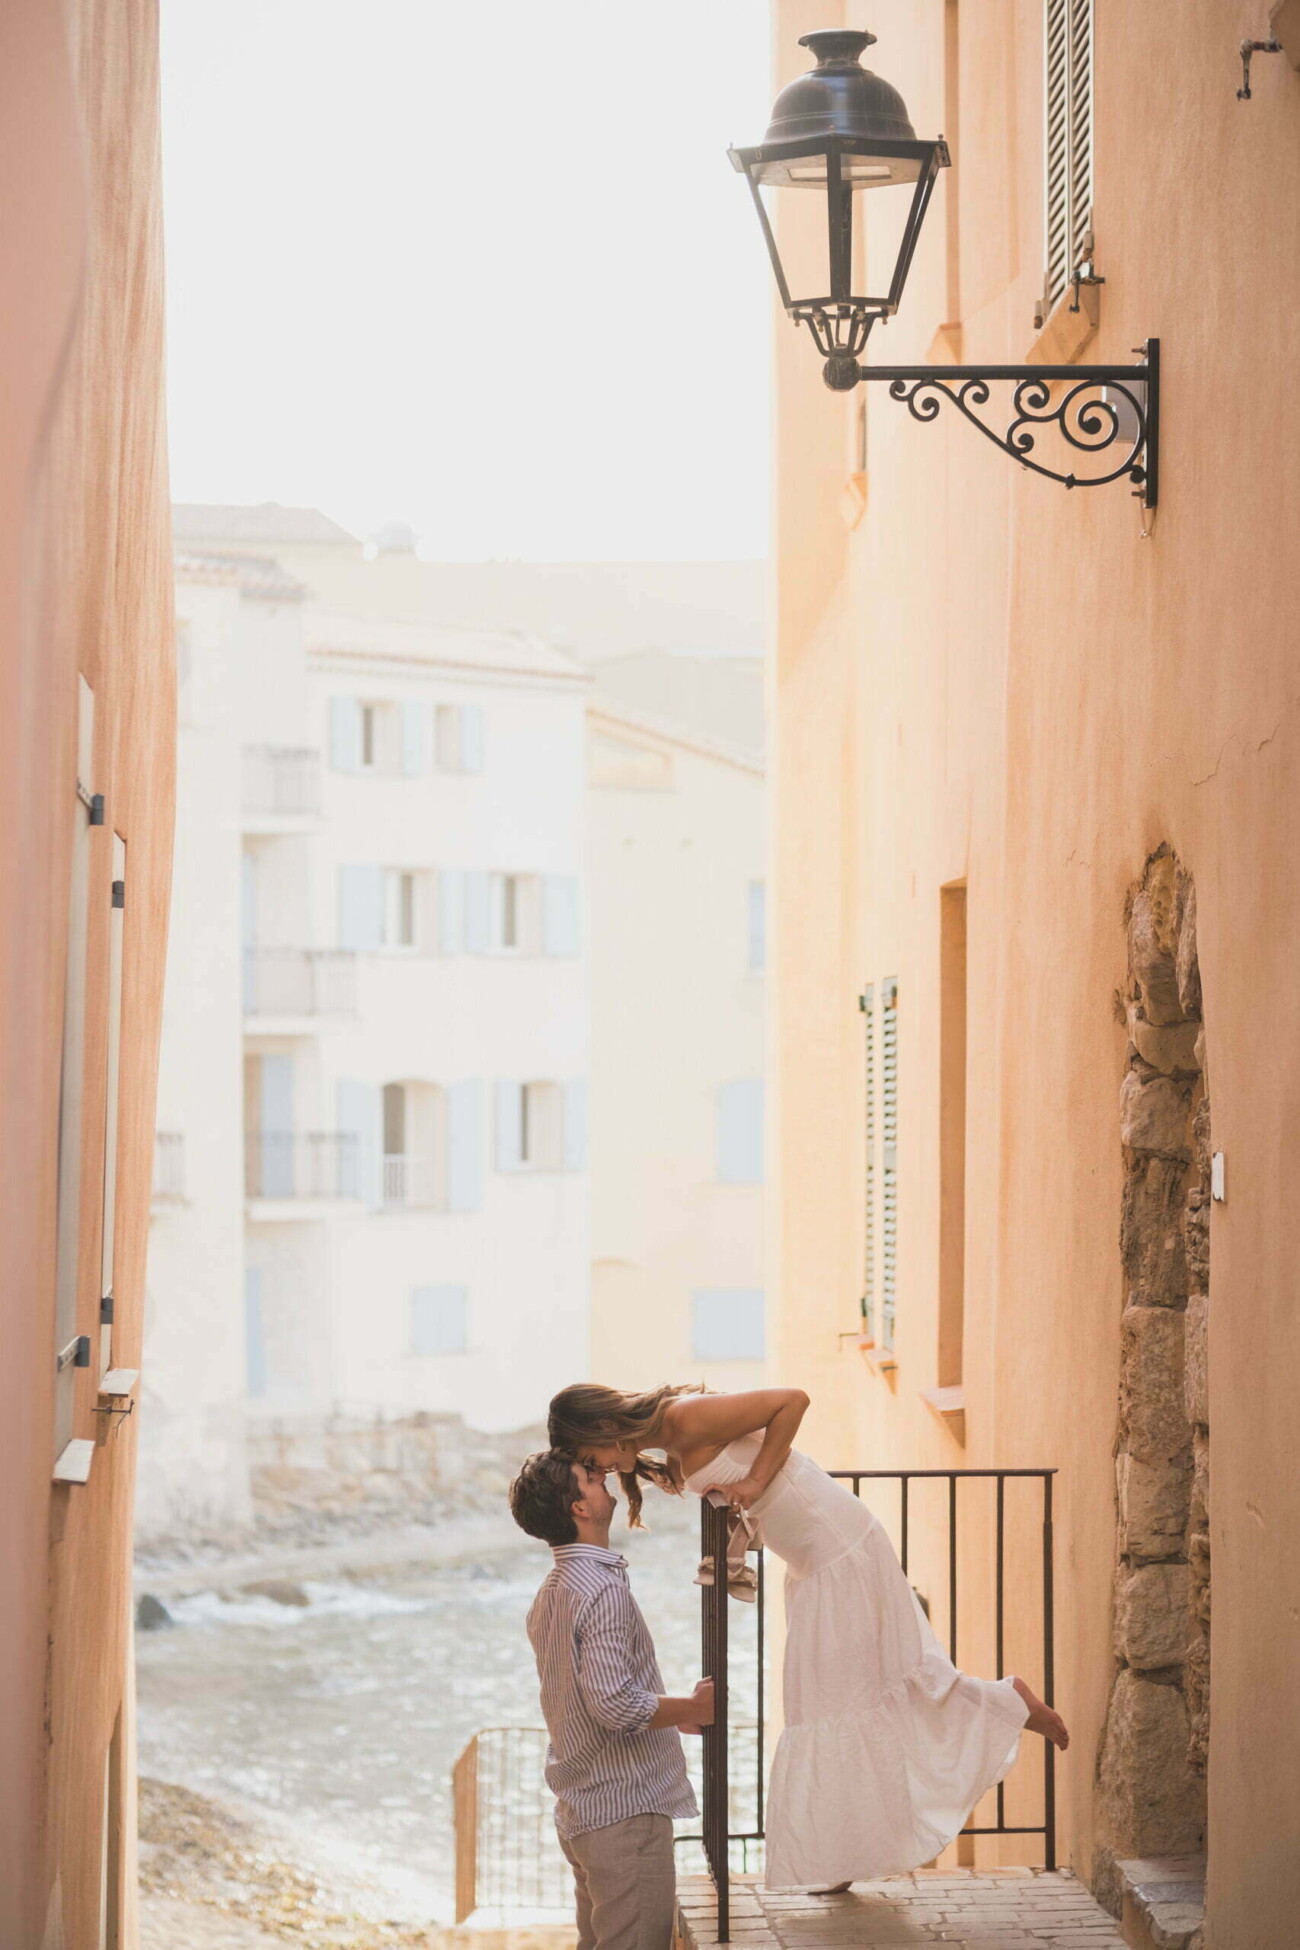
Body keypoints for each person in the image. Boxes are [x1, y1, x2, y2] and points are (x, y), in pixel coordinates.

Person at [547, 1384, 1070, 1893]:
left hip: (839, 1548)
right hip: (811, 1563)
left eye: (589, 1456)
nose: (599, 1469)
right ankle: (846, 1849)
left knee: (846, 1698)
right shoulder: (669, 1440)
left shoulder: (686, 1416)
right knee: (833, 1700)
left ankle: (1006, 1702)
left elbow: (791, 1401)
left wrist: (754, 1482)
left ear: (604, 1426)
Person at [508, 1448, 714, 1949]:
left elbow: (587, 1696)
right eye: (592, 1478)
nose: (605, 1478)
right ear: (578, 1506)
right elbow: (614, 1705)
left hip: (584, 1811)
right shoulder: (602, 1589)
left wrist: (671, 1714)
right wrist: (693, 1708)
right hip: (624, 1815)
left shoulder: (552, 1590)